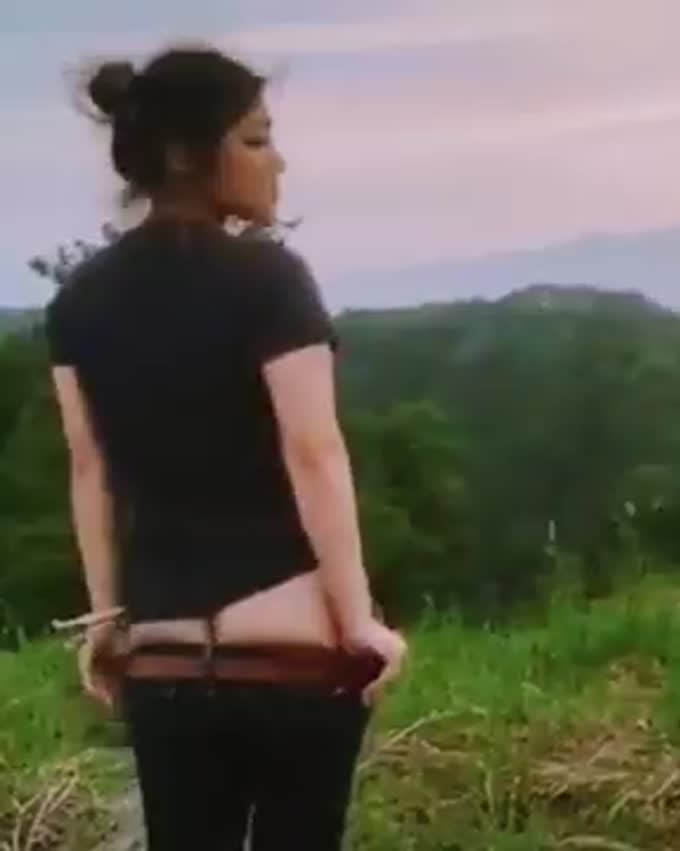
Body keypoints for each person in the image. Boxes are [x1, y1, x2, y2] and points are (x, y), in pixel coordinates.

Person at [45, 45, 406, 851]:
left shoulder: (77, 301)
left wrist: (104, 622)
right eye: (255, 139)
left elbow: (90, 469)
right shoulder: (269, 279)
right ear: (186, 155)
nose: (277, 162)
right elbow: (314, 451)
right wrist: (359, 621)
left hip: (162, 657)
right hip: (291, 652)